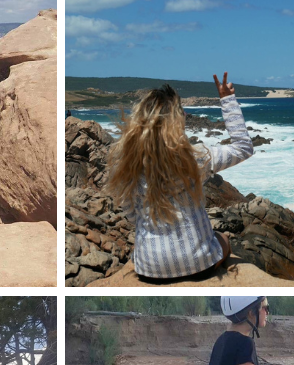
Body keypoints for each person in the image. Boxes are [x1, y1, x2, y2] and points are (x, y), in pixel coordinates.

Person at [106, 74, 253, 281]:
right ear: (175, 121)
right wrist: (227, 100)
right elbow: (243, 148)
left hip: (149, 269)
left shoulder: (127, 165)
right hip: (200, 265)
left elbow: (133, 217)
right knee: (224, 239)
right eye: (180, 111)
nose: (185, 113)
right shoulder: (195, 158)